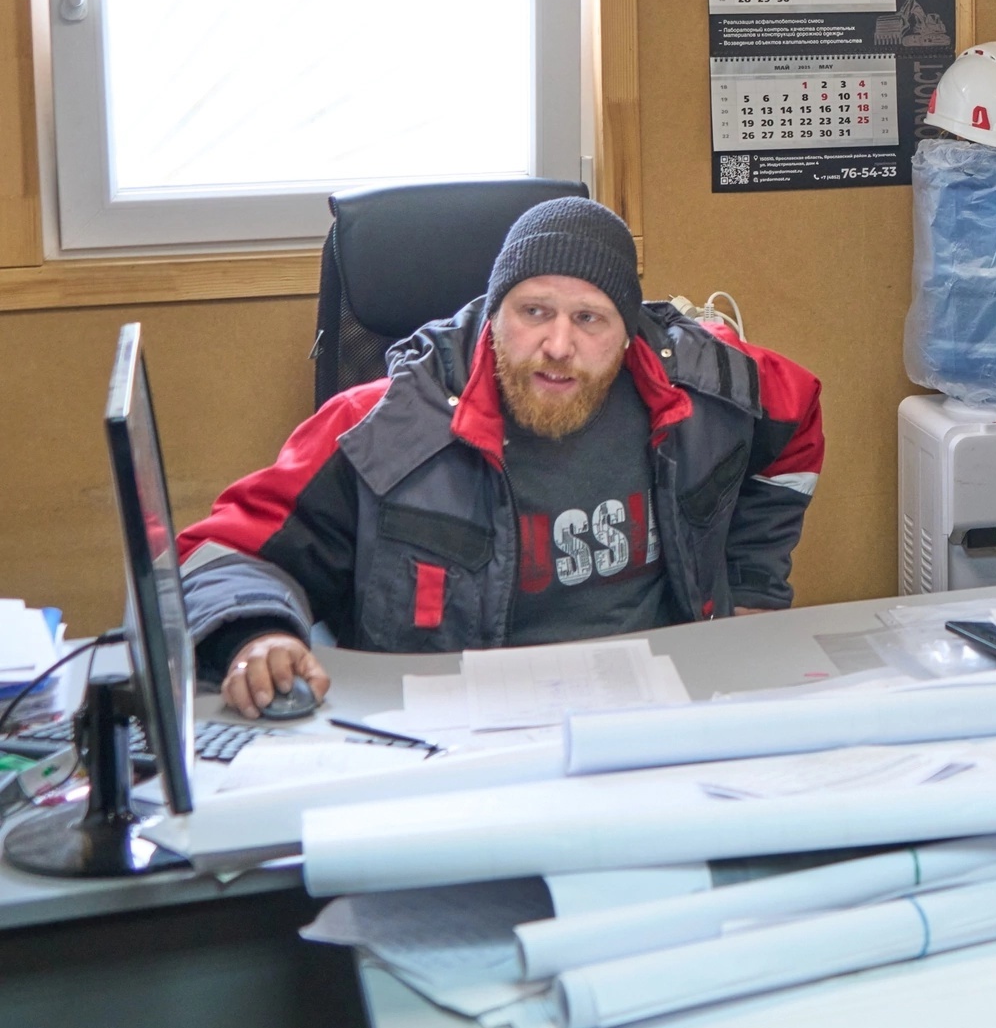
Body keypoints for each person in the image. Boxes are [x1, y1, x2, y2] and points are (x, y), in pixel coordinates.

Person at [178, 198, 825, 717]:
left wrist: (753, 589)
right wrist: (256, 634)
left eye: (590, 319)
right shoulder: (387, 426)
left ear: (628, 335)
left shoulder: (698, 392)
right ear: (493, 317)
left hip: (657, 717)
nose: (558, 344)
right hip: (456, 736)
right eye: (533, 311)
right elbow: (218, 554)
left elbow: (796, 423)